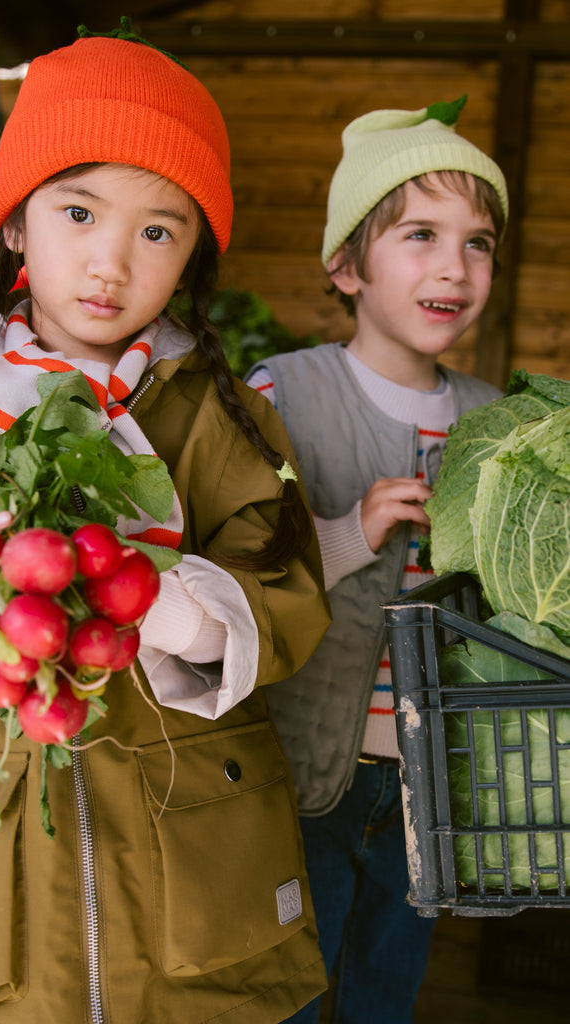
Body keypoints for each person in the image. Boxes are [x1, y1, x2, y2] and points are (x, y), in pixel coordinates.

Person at [0, 25, 333, 1024]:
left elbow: (290, 597)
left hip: (196, 876)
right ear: (14, 224)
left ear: (192, 255)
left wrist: (162, 604)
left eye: (158, 231)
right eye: (79, 211)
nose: (111, 261)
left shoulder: (219, 416)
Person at [246, 95, 508, 1024]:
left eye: (479, 243)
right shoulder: (281, 394)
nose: (454, 266)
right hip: (301, 776)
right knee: (286, 990)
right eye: (421, 235)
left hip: (427, 783)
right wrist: (352, 530)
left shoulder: (501, 421)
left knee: (385, 993)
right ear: (346, 265)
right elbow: (237, 579)